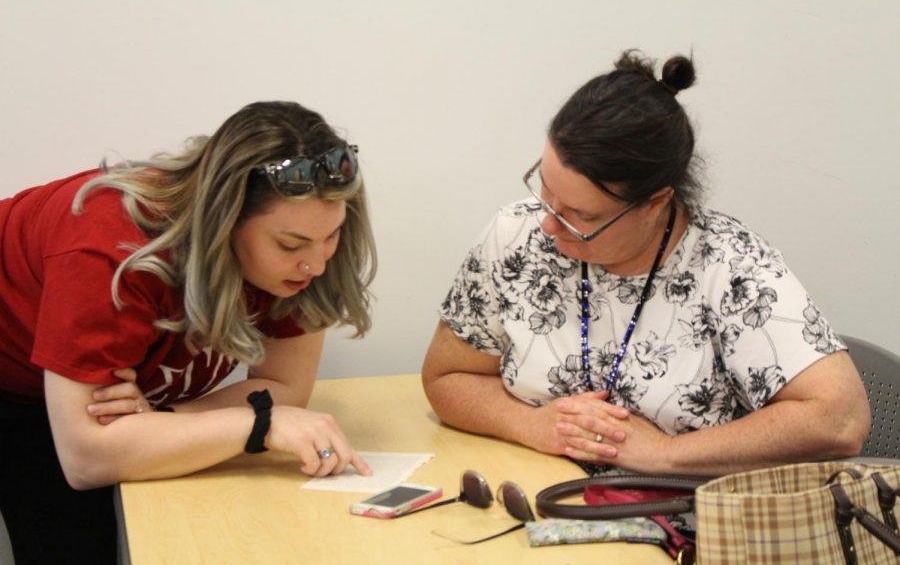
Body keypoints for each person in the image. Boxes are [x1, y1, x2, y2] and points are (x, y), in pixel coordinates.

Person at [422, 51, 870, 480]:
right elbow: (447, 376)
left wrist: (667, 454)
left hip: (684, 528)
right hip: (542, 497)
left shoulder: (730, 267)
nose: (549, 224)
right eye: (545, 188)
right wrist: (531, 425)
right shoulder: (518, 235)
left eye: (582, 216)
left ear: (655, 203)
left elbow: (840, 419)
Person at [0, 101, 377, 563]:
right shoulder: (108, 248)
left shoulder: (304, 255)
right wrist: (258, 423)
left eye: (332, 236)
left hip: (78, 393)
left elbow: (283, 387)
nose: (316, 265)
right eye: (290, 245)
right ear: (224, 219)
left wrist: (164, 420)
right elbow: (86, 458)